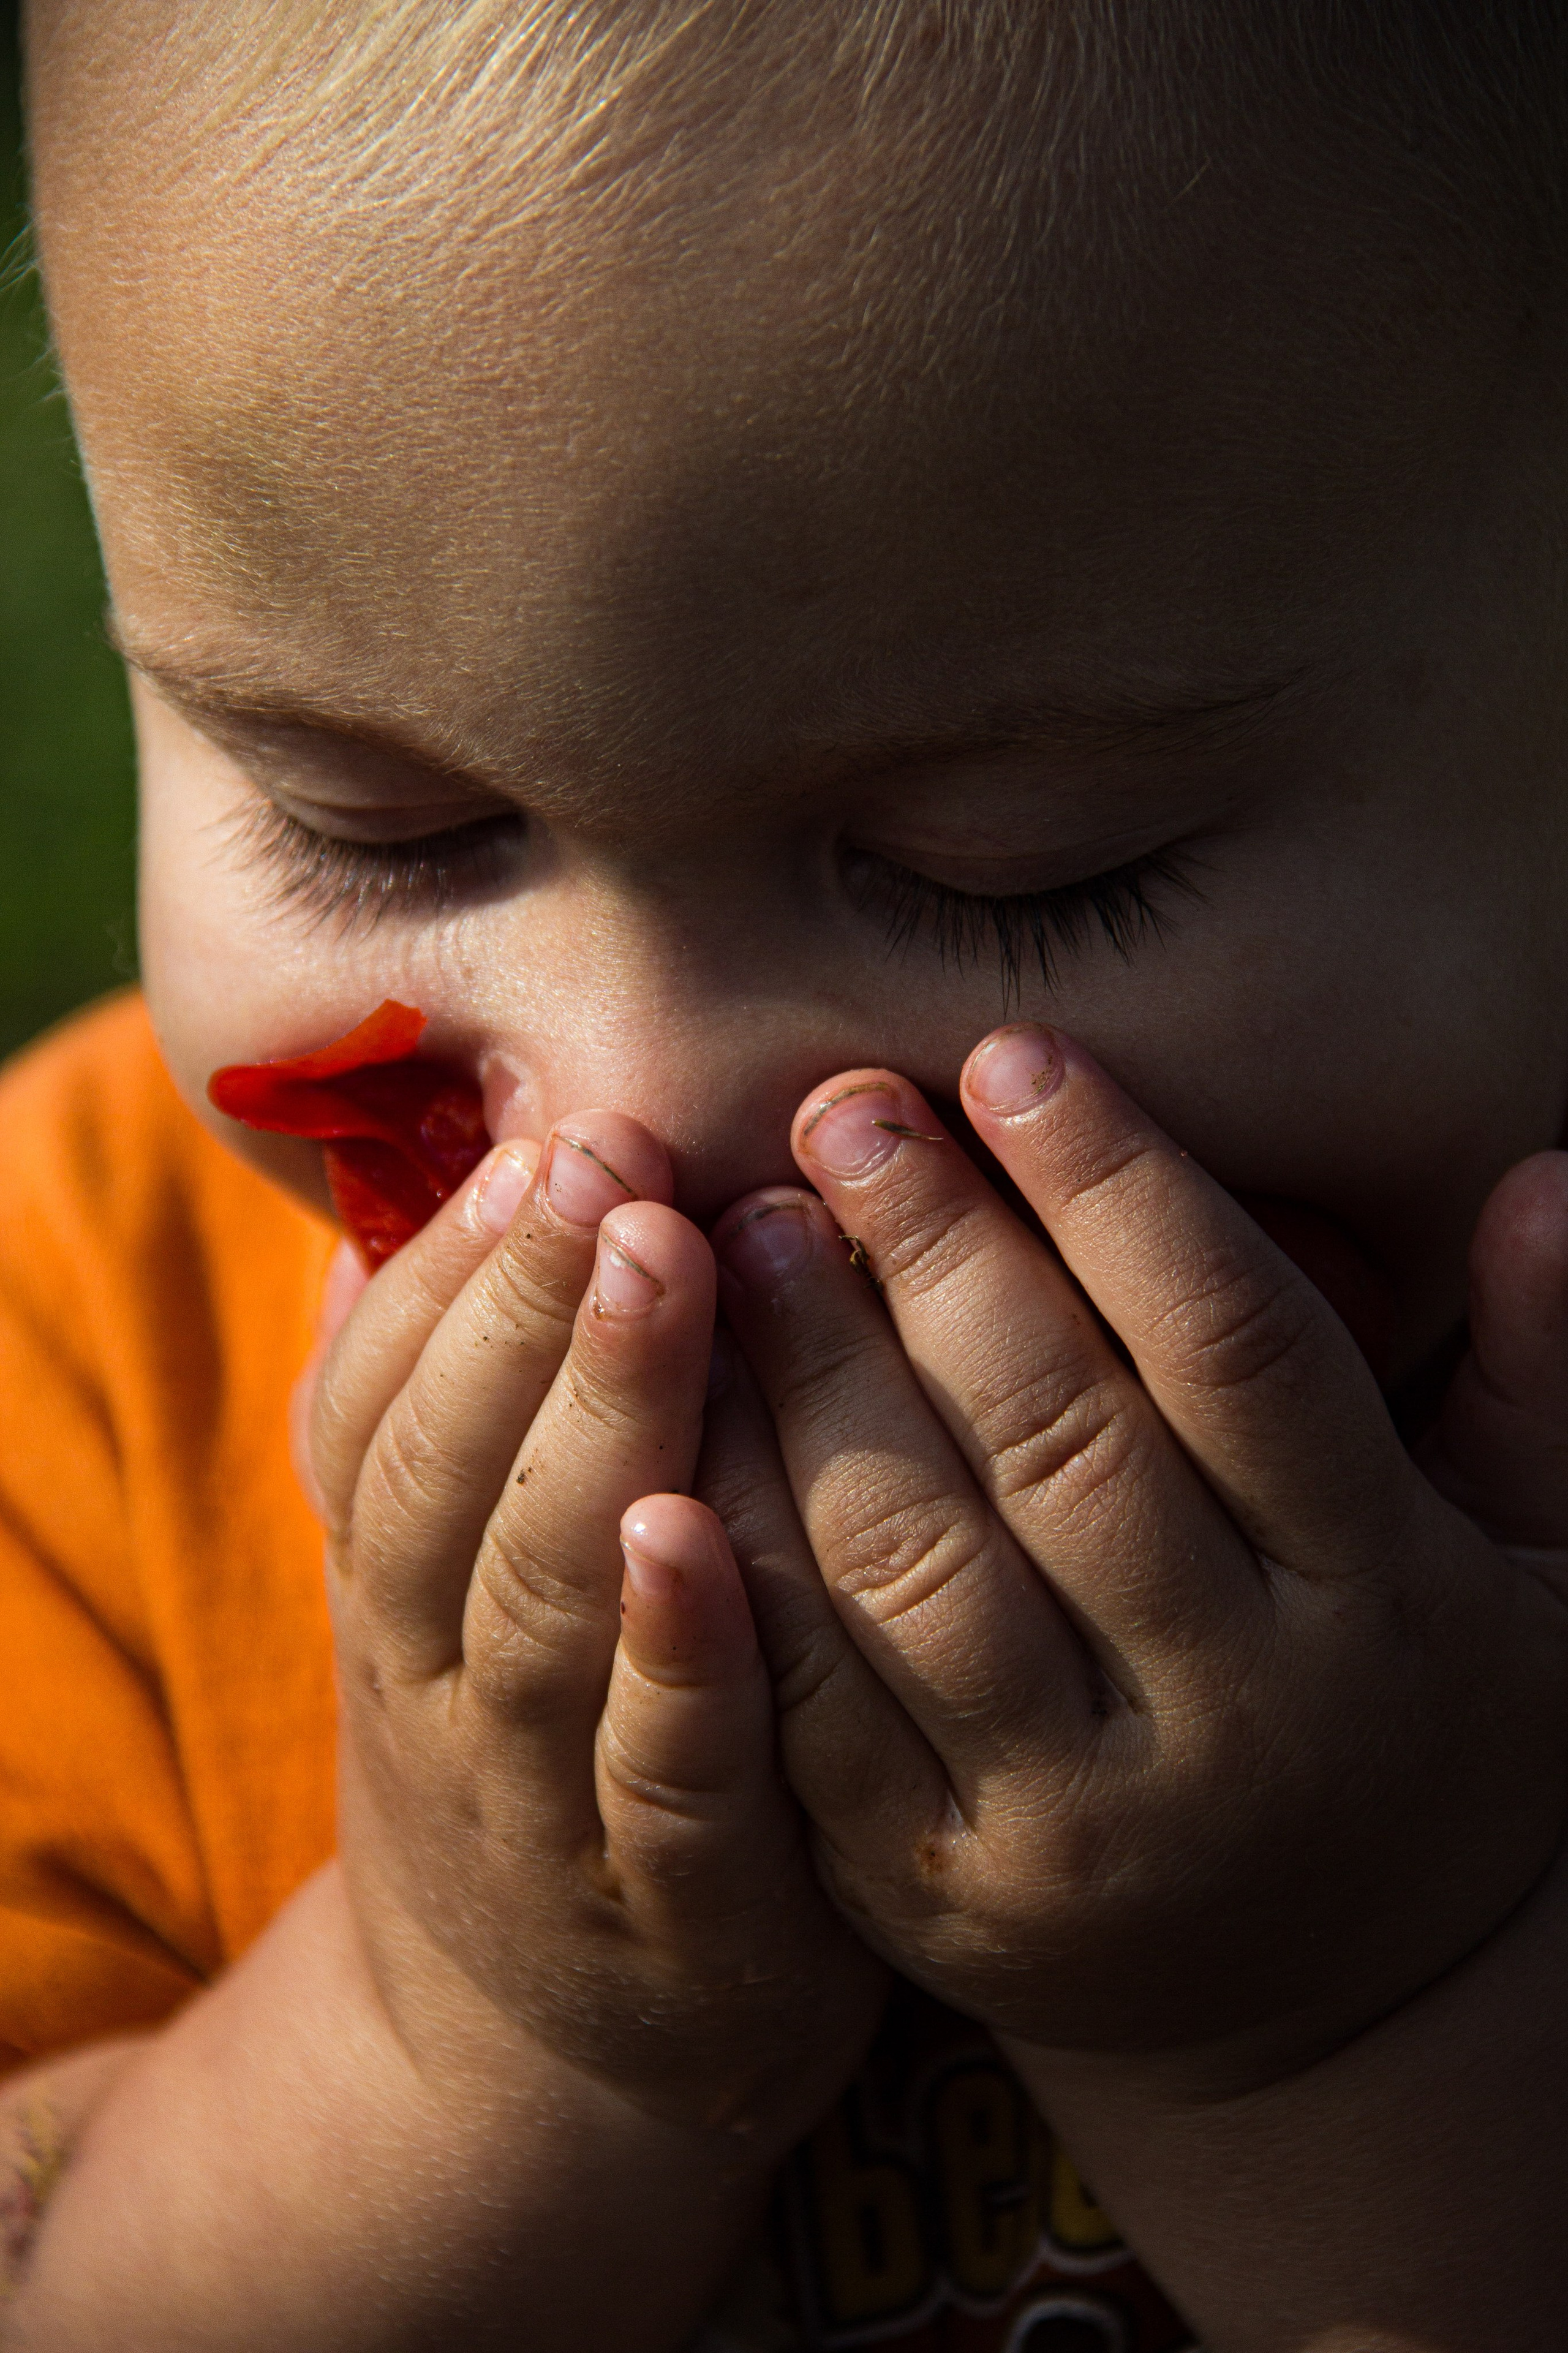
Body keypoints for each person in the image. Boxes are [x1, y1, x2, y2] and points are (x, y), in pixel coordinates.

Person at [3, 1, 1567, 2344]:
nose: (638, 1132)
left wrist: (1346, 2030)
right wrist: (470, 2037)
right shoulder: (80, 1348)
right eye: (378, 825)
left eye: (1019, 870)